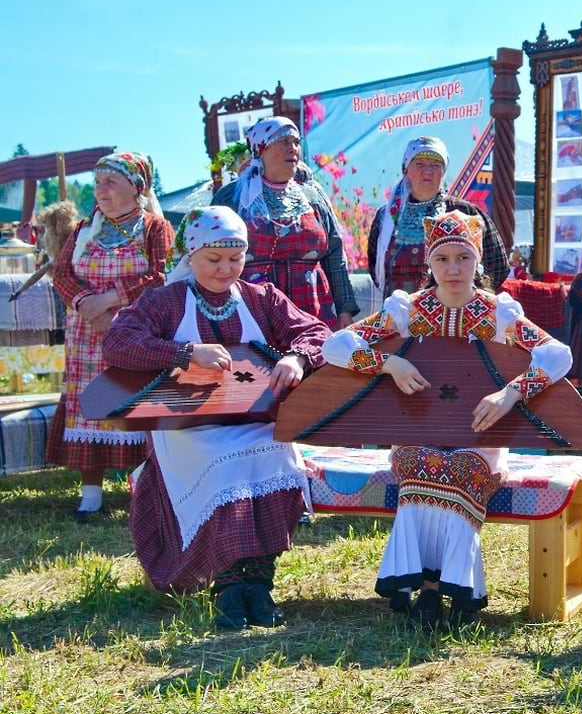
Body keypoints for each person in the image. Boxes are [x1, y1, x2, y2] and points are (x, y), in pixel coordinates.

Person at [321, 210, 573, 628]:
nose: (453, 269)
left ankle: (451, 589)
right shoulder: (407, 311)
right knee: (420, 464)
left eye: (463, 258)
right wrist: (387, 365)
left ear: (478, 262)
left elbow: (556, 354)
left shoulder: (498, 314)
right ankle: (431, 590)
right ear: (429, 264)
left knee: (460, 468)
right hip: (418, 433)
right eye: (442, 259)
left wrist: (512, 392)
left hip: (480, 436)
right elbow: (337, 346)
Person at [102, 206, 331, 629]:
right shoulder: (166, 301)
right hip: (188, 428)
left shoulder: (261, 299)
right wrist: (186, 353)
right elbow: (118, 341)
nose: (226, 269)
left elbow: (317, 333)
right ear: (190, 255)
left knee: (274, 455)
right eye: (214, 259)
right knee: (224, 470)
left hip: (254, 423)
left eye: (235, 258)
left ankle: (259, 584)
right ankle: (228, 587)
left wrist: (298, 357)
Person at [47, 152, 174, 522]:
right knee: (91, 406)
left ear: (136, 188)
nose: (100, 190)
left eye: (110, 183)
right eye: (98, 182)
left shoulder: (154, 228)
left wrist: (112, 300)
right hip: (87, 335)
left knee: (135, 407)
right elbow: (62, 275)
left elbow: (162, 274)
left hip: (136, 334)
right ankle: (90, 497)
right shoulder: (85, 228)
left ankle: (143, 491)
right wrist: (87, 302)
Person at [212, 116, 358, 328]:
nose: (293, 148)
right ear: (260, 149)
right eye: (283, 141)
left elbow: (334, 256)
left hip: (314, 311)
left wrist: (345, 309)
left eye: (296, 142)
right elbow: (210, 255)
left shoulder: (312, 197)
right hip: (253, 313)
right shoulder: (233, 198)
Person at [366, 135, 508, 298]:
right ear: (405, 170)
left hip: (451, 314)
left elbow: (498, 265)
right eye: (419, 164)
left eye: (435, 165)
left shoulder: (464, 212)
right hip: (396, 314)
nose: (427, 171)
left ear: (443, 172)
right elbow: (375, 267)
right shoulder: (386, 217)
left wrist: (465, 297)